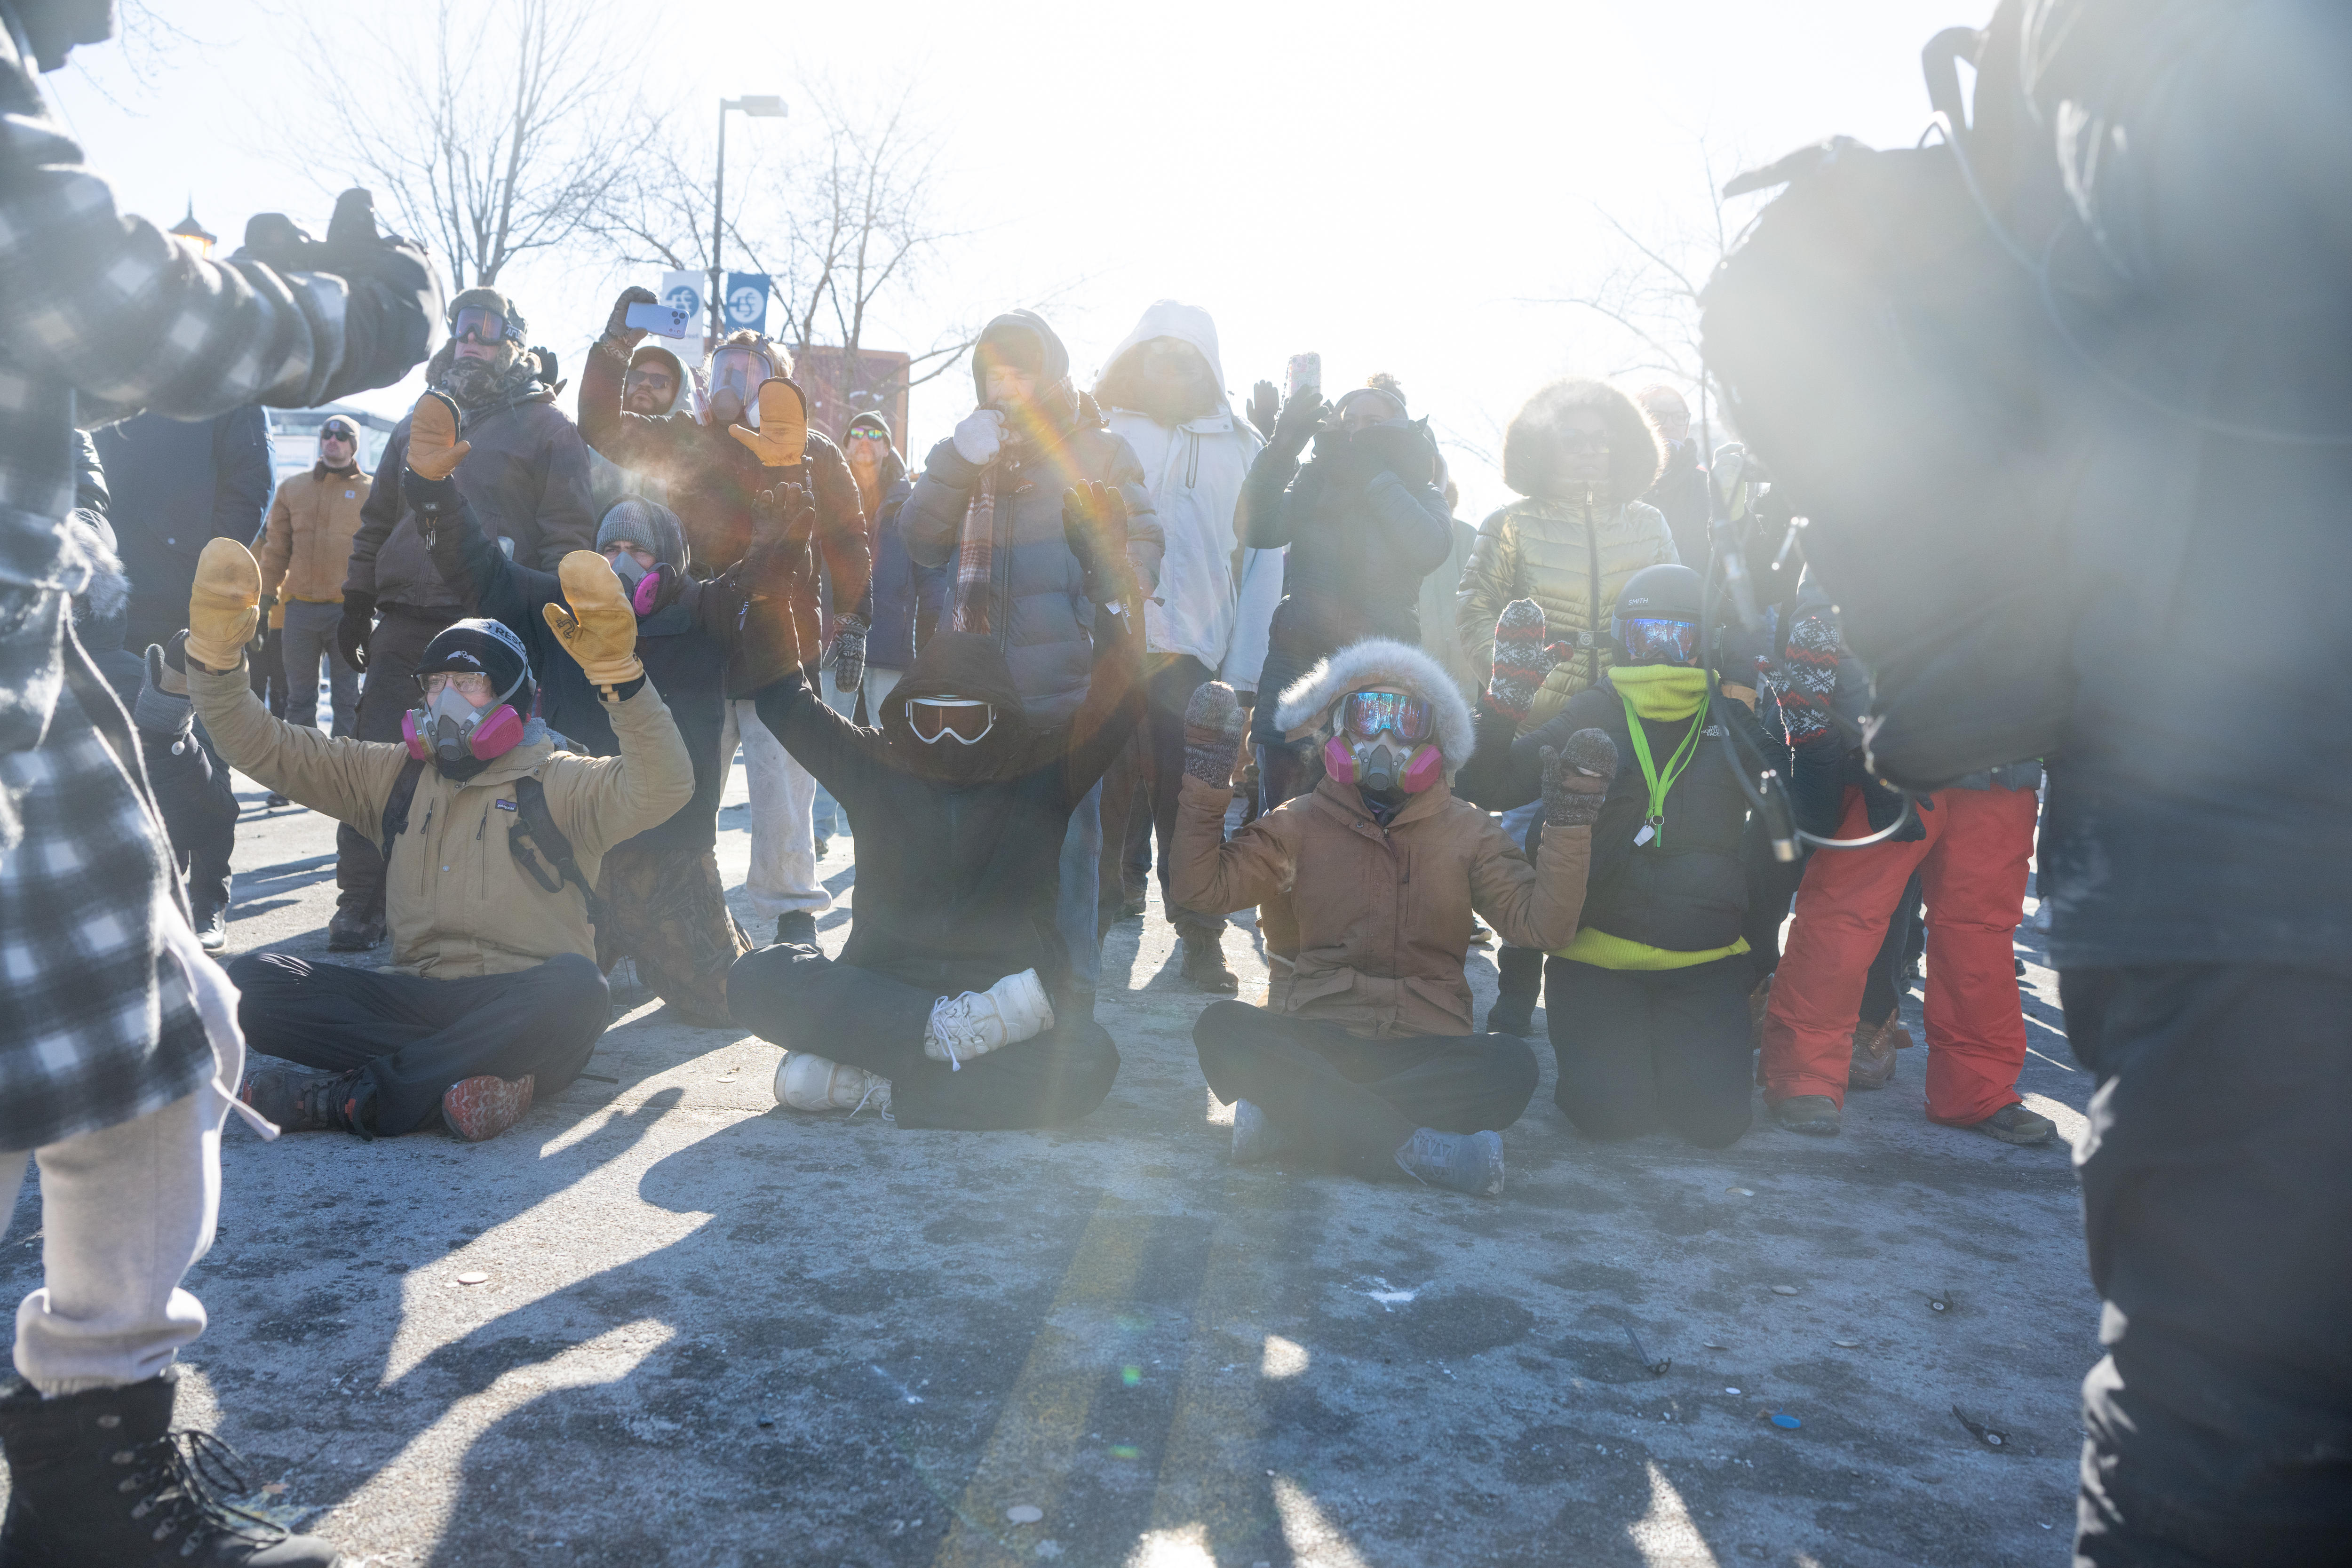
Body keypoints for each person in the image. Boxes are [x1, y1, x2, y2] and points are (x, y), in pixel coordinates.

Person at [0, 3, 438, 1550]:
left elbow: (66, 339)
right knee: (121, 1059)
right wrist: (354, 313)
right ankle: (86, 1486)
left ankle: (87, 1471)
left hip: (34, 680)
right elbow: (113, 302)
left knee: (154, 1042)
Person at [191, 399, 692, 1142]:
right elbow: (268, 747)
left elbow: (664, 784)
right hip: (416, 1001)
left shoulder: (556, 778)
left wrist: (620, 678)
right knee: (244, 986)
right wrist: (218, 666)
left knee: (577, 993)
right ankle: (462, 1082)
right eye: (434, 686)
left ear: (513, 700)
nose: (447, 700)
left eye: (470, 684)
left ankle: (348, 1098)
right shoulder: (393, 777)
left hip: (522, 1002)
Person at [725, 480, 1145, 1130]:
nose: (946, 738)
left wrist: (1112, 587)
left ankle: (884, 1080)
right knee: (756, 976)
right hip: (889, 985)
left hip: (1002, 996)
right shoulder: (877, 764)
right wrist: (768, 596)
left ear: (1001, 719)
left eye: (967, 720)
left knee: (1093, 1061)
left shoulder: (1039, 770)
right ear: (904, 716)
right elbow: (786, 700)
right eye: (929, 719)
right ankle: (935, 1042)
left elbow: (1118, 703)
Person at [1171, 636, 1606, 1195]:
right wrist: (1207, 781)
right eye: (1367, 715)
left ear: (1433, 737)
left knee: (1511, 1067)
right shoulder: (1297, 824)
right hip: (1318, 1034)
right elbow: (1199, 888)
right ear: (1337, 729)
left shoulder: (1467, 830)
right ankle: (1420, 1150)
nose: (1383, 738)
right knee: (1222, 1028)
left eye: (1404, 721)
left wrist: (1569, 823)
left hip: (1425, 1046)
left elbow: (1542, 927)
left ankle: (1297, 1126)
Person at [583, 288, 871, 946]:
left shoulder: (814, 452)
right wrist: (613, 349)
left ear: (781, 386)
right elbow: (601, 424)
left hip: (780, 644)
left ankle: (788, 920)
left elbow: (850, 539)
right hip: (695, 645)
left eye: (751, 372)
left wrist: (855, 618)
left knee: (782, 797)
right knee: (680, 793)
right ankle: (677, 922)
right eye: (723, 370)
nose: (733, 384)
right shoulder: (689, 444)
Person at [901, 309, 1164, 1019]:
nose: (1007, 384)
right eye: (994, 371)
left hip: (1063, 685)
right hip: (972, 689)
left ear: (1050, 373)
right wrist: (958, 463)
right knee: (970, 841)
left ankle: (1072, 997)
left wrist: (1105, 596)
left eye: (1021, 370)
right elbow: (920, 542)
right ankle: (976, 986)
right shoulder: (960, 450)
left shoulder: (1100, 452)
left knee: (1073, 846)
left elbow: (1140, 546)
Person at [428, 470, 758, 1026]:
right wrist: (433, 489)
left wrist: (782, 478)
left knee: (729, 1005)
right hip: (573, 856)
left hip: (670, 858)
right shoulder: (557, 610)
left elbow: (771, 573)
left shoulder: (706, 612)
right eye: (610, 548)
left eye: (639, 551)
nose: (622, 564)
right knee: (534, 1005)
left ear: (670, 565)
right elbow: (481, 569)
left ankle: (716, 942)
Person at [1455, 572, 1768, 1148]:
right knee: (1609, 1118)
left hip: (1704, 963)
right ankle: (1629, 1044)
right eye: (1644, 635)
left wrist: (1757, 700)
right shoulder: (1595, 708)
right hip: (1596, 958)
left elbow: (1807, 812)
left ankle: (1670, 1040)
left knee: (1716, 1125)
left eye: (1677, 637)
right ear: (1621, 639)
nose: (1659, 651)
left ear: (1705, 644)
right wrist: (1501, 708)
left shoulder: (1728, 719)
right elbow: (1491, 786)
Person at [333, 287, 597, 953]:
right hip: (401, 621)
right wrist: (356, 600)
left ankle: (469, 906)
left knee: (474, 773)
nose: (472, 338)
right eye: (462, 327)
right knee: (377, 762)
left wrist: (543, 615)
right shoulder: (414, 425)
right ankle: (361, 902)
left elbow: (567, 535)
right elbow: (374, 524)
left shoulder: (548, 429)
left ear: (516, 340)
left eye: (488, 327)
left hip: (485, 626)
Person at [1456, 378, 1679, 1037]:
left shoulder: (1650, 525)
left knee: (1616, 854)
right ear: (1542, 448)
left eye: (1602, 443)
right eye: (1572, 441)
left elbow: (1677, 605)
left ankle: (1612, 990)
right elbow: (1473, 606)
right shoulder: (1510, 524)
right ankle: (1517, 993)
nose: (1589, 453)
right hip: (1537, 720)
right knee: (1532, 856)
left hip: (1627, 715)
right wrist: (1510, 675)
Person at [1091, 301, 1281, 991]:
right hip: (1108, 643)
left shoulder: (1243, 446)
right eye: (1157, 352)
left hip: (1198, 654)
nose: (1169, 367)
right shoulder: (1101, 431)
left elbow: (1264, 560)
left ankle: (1200, 932)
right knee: (1101, 786)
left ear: (1208, 366)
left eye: (1185, 356)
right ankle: (1095, 912)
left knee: (1193, 798)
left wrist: (1244, 668)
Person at [1757, 756, 2051, 1143]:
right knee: (1843, 920)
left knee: (1983, 939)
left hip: (2007, 758)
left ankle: (1979, 1089)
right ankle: (1803, 1075)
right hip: (1899, 751)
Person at [1240, 374, 1453, 820]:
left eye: (1372, 420)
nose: (1357, 427)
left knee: (1369, 807)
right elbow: (1256, 527)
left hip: (1378, 672)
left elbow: (1430, 548)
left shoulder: (1420, 487)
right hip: (1298, 661)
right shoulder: (1317, 477)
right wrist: (1283, 445)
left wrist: (1373, 477)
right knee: (1282, 808)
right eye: (1349, 418)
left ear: (1400, 427)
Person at [812, 409, 928, 854]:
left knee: (889, 738)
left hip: (889, 635)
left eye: (875, 433)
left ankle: (886, 828)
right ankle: (820, 829)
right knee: (828, 735)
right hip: (834, 631)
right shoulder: (826, 493)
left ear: (886, 445)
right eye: (856, 433)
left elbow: (924, 567)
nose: (865, 440)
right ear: (844, 445)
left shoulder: (908, 499)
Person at [94, 405, 275, 656]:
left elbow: (250, 485)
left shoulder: (231, 382)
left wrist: (205, 563)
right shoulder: (97, 372)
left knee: (172, 690)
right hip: (92, 588)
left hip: (177, 598)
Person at [257, 413, 368, 737]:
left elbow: (380, 553)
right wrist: (264, 600)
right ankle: (300, 782)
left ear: (354, 445)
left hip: (349, 613)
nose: (333, 439)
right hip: (300, 612)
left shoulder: (372, 493)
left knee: (348, 700)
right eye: (327, 433)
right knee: (299, 700)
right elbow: (276, 550)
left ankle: (344, 780)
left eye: (343, 434)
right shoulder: (293, 489)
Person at [586, 341, 687, 512]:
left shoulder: (690, 451)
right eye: (636, 376)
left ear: (679, 393)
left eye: (658, 380)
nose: (645, 383)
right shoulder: (594, 447)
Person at [1635, 383, 1710, 570]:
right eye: (1657, 416)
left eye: (1679, 417)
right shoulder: (1618, 487)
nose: (1669, 425)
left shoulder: (1707, 486)